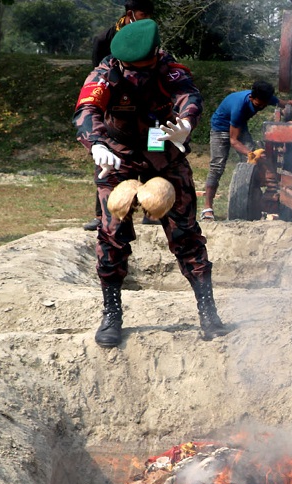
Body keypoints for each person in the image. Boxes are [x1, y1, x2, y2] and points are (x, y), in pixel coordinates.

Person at [73, 19, 228, 346]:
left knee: (186, 233)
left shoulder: (169, 69)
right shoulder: (106, 74)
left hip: (163, 148)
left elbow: (189, 96)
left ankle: (208, 313)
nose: (137, 76)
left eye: (143, 68)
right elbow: (88, 110)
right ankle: (111, 314)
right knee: (112, 232)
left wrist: (186, 124)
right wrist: (96, 144)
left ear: (155, 55)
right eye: (132, 69)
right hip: (117, 153)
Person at [84, 0, 156, 232]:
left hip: (150, 111)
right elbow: (98, 77)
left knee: (153, 156)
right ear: (130, 14)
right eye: (143, 13)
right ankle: (103, 213)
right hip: (118, 110)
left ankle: (151, 210)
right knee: (108, 162)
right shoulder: (104, 40)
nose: (148, 19)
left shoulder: (151, 36)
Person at [202, 81, 279, 220]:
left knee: (255, 165)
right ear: (251, 98)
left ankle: (257, 204)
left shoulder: (265, 97)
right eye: (258, 105)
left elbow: (284, 104)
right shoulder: (239, 107)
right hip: (221, 129)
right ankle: (207, 208)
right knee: (217, 167)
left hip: (239, 127)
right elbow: (234, 141)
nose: (261, 107)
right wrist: (251, 154)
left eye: (264, 105)